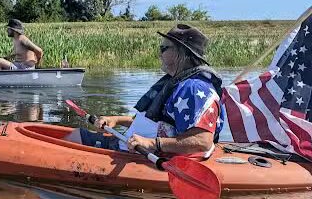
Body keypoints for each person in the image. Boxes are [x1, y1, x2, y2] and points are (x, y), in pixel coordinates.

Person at [65, 24, 224, 157]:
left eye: (164, 48)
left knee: (74, 139)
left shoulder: (194, 88)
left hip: (148, 155)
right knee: (76, 135)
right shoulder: (175, 82)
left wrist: (152, 143)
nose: (159, 53)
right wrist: (116, 120)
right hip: (133, 146)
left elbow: (203, 141)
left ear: (180, 53)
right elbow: (158, 122)